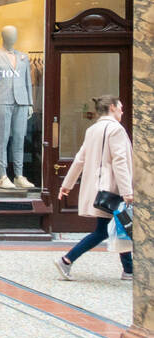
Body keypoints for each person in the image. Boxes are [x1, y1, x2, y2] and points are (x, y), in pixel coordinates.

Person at [56, 95, 134, 282]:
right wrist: (127, 191)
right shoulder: (116, 130)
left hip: (101, 189)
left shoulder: (93, 129)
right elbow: (120, 161)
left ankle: (129, 270)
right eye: (121, 108)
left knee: (119, 225)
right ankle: (67, 260)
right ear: (113, 107)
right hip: (112, 189)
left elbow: (79, 159)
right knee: (106, 229)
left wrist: (66, 185)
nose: (122, 111)